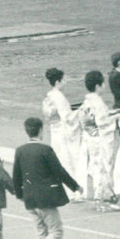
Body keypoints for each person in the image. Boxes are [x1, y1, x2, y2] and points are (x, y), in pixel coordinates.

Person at [13, 117, 82, 239]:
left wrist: (19, 195)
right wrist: (75, 186)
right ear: (41, 131)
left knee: (41, 233)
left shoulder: (20, 150)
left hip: (29, 198)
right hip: (45, 198)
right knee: (56, 231)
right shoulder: (45, 150)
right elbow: (59, 171)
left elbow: (16, 175)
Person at [79, 70, 120, 212]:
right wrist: (116, 117)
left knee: (96, 165)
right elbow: (103, 122)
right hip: (100, 138)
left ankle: (104, 194)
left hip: (90, 137)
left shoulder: (87, 101)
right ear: (98, 86)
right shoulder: (97, 102)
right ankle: (101, 197)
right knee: (103, 166)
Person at [41, 68, 84, 202]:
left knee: (62, 159)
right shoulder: (59, 97)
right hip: (64, 131)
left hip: (55, 130)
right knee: (70, 159)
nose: (65, 82)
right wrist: (80, 111)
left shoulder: (50, 96)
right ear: (58, 81)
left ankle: (68, 191)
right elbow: (67, 117)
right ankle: (75, 192)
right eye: (64, 80)